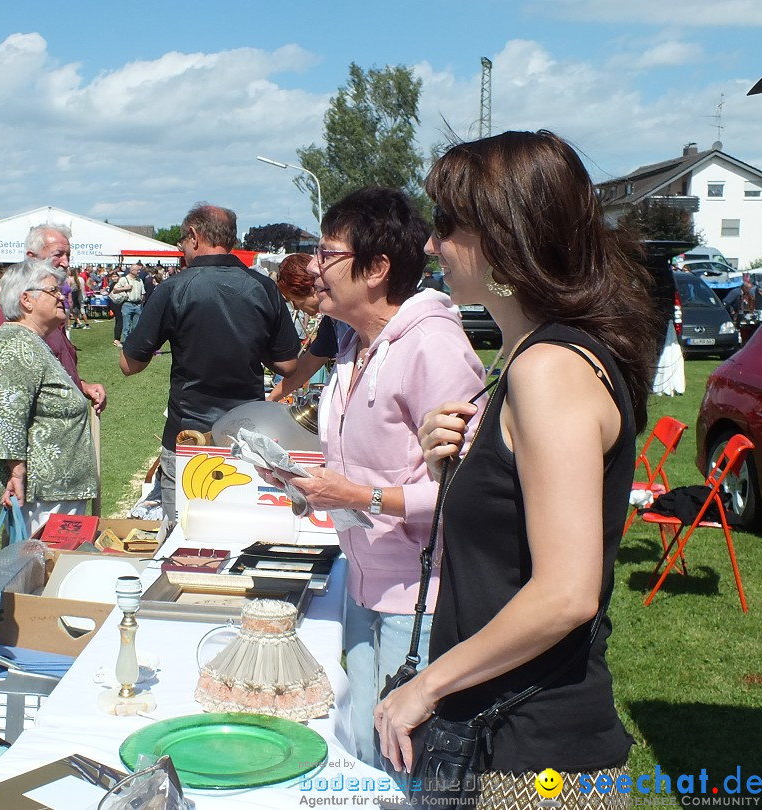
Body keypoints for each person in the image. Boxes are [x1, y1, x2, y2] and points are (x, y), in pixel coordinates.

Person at [375, 131, 658, 798]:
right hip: (507, 739)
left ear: (504, 239)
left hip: (533, 765)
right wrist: (456, 472)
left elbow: (565, 593)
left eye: (447, 225)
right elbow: (509, 549)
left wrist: (425, 687)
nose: (428, 244)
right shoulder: (532, 358)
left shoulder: (550, 368)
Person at [266, 189, 485, 766]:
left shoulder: (432, 347)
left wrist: (357, 495)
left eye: (327, 251)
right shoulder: (352, 344)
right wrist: (301, 478)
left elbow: (466, 493)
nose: (314, 266)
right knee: (365, 746)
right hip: (363, 582)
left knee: (402, 763)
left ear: (377, 269)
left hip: (419, 597)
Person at [120, 203, 300, 522]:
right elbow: (287, 365)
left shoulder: (173, 288)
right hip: (245, 433)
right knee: (241, 527)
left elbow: (129, 364)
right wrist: (250, 342)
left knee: (182, 530)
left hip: (188, 432)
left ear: (194, 235)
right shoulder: (263, 287)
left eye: (181, 241)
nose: (182, 249)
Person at [0, 259, 98, 534]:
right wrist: (16, 473)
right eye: (53, 291)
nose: (61, 296)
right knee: (40, 569)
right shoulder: (18, 344)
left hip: (52, 492)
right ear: (26, 300)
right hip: (39, 495)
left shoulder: (31, 342)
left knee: (51, 568)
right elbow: (9, 415)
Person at [25, 224, 107, 414]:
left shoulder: (53, 305)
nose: (66, 263)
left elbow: (59, 367)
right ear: (32, 257)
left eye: (68, 255)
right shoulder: (17, 310)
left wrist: (83, 386)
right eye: (58, 254)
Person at [267, 252, 338, 402]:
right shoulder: (331, 323)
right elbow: (306, 367)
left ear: (311, 289)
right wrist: (269, 400)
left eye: (294, 300)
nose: (295, 307)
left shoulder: (343, 319)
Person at [114, 262, 146, 342]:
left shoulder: (140, 280)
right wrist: (125, 288)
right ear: (132, 270)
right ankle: (126, 343)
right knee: (126, 326)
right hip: (127, 304)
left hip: (137, 305)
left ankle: (133, 343)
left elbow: (143, 293)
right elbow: (115, 289)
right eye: (137, 270)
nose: (139, 272)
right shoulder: (124, 279)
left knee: (136, 327)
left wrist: (141, 300)